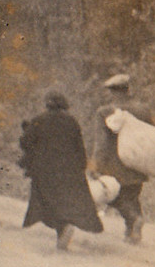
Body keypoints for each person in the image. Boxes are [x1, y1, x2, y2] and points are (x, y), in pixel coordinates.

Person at [19, 90, 103, 250]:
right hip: (68, 172)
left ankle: (62, 228)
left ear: (47, 104)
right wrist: (81, 167)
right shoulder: (72, 121)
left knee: (43, 204)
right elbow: (80, 147)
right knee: (63, 203)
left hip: (45, 171)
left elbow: (25, 143)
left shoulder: (39, 120)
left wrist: (26, 130)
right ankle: (63, 229)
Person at [90, 73, 153, 244]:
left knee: (114, 196)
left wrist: (96, 165)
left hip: (115, 165)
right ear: (127, 90)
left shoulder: (104, 112)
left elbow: (101, 143)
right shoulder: (143, 110)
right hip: (139, 162)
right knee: (132, 195)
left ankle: (134, 220)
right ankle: (132, 232)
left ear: (112, 92)